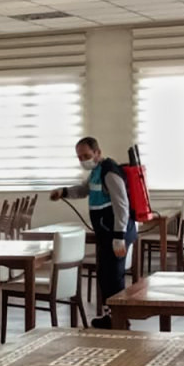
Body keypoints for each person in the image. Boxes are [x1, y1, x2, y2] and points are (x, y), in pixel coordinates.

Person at [50, 137, 135, 328]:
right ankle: (110, 316)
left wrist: (119, 236)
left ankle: (120, 319)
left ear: (98, 152)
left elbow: (122, 205)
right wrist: (64, 192)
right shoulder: (96, 171)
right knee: (105, 276)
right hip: (106, 233)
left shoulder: (109, 171)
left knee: (114, 277)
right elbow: (84, 190)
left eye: (86, 155)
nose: (83, 160)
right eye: (80, 157)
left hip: (116, 233)